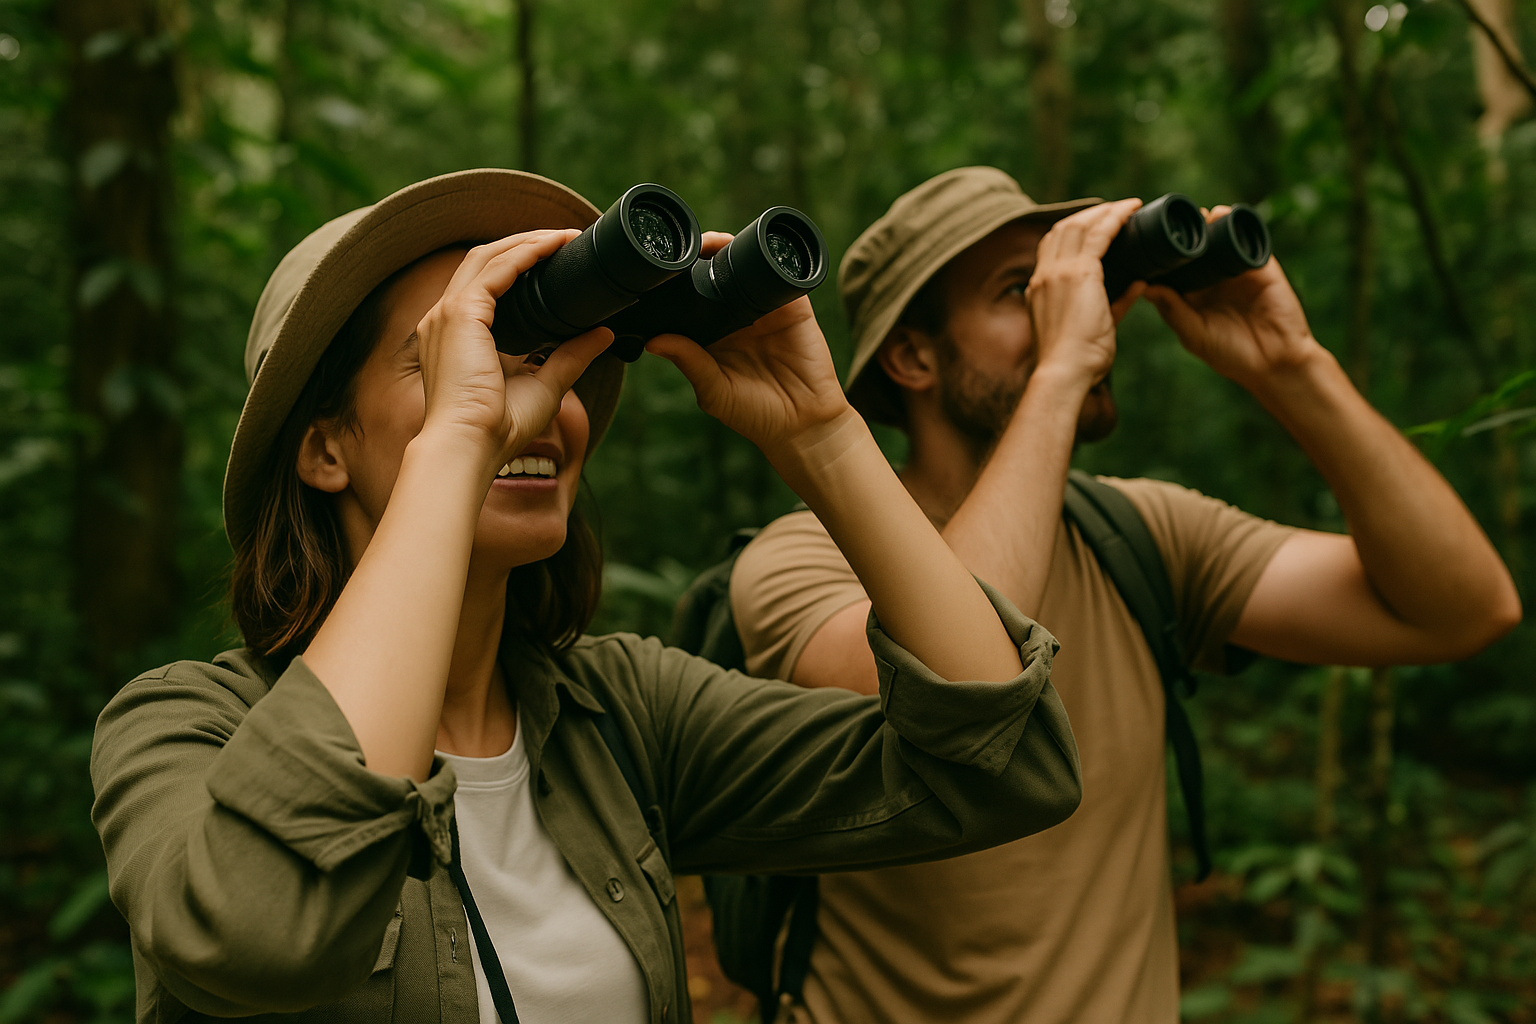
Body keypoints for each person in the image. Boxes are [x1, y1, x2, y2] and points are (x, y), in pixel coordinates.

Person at [88, 169, 1085, 1024]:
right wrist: (461, 442)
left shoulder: (621, 717)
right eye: (452, 358)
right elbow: (263, 927)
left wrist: (820, 432)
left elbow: (993, 765)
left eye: (543, 358)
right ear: (324, 447)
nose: (526, 403)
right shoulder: (182, 729)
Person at [727, 166, 1523, 1024]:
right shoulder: (803, 558)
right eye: (1016, 292)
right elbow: (955, 672)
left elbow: (1463, 608)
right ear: (914, 355)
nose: (1077, 311)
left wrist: (1293, 365)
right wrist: (1060, 370)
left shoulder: (1142, 535)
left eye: (1072, 286)